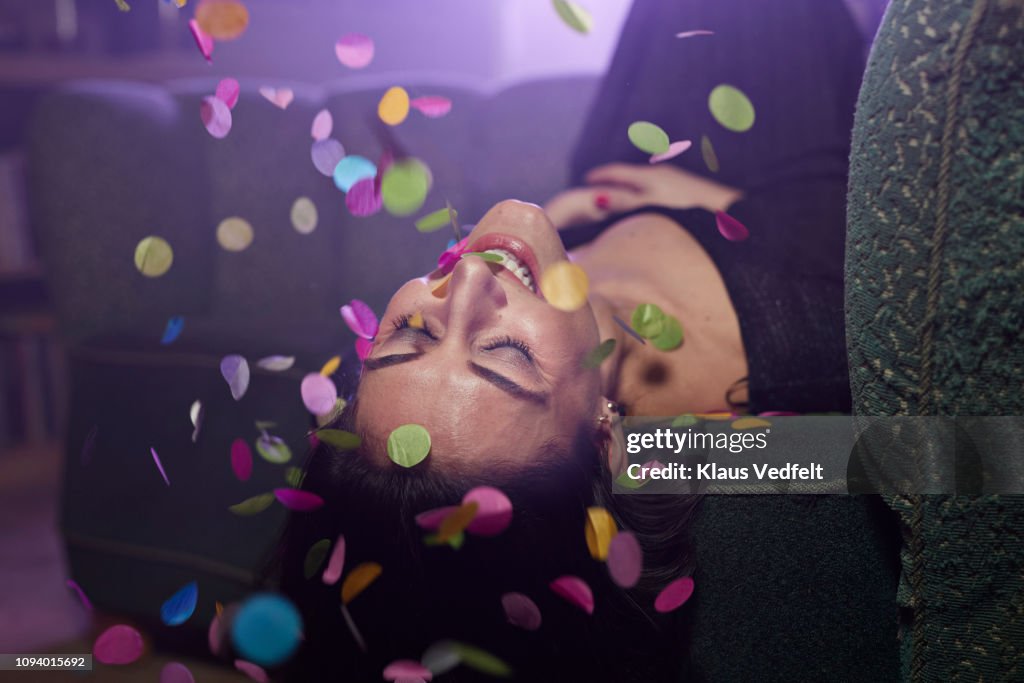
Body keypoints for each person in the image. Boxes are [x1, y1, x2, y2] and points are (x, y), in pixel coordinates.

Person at [268, 1, 898, 681]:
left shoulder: (543, 270)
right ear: (605, 437)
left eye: (413, 330)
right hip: (784, 192)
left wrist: (571, 222)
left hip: (607, 179)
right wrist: (712, 203)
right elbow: (973, 457)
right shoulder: (808, 331)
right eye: (506, 354)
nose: (470, 274)